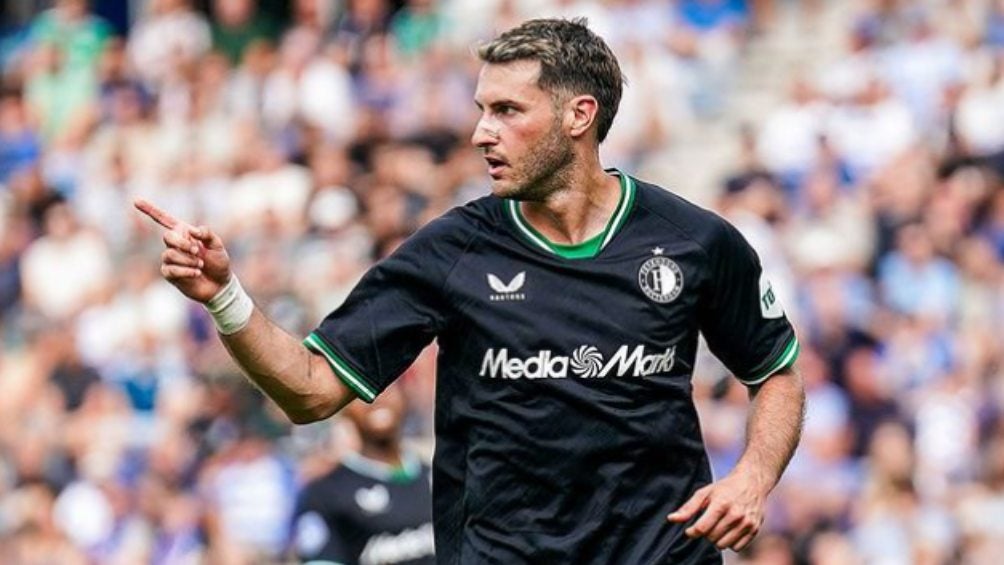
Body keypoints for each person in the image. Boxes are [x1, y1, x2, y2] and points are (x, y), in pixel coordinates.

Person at [136, 18, 805, 563]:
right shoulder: (452, 251)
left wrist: (752, 477)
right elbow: (311, 389)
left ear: (579, 114)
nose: (482, 131)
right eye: (482, 109)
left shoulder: (693, 241)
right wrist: (225, 295)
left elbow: (776, 373)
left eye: (507, 110)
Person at [291, 384, 435, 564]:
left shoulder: (438, 477)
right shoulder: (325, 493)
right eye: (362, 392)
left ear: (405, 398)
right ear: (344, 409)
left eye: (388, 388)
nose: (378, 398)